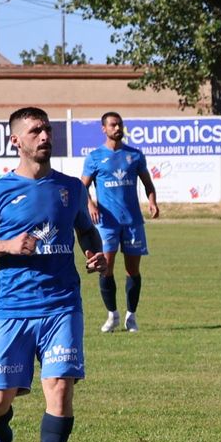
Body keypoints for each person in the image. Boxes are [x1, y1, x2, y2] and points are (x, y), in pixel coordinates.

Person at [0, 107, 105, 442]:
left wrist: (95, 254)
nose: (44, 136)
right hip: (13, 309)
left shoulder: (71, 188)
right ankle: (2, 439)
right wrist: (7, 245)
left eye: (47, 130)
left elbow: (87, 233)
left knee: (58, 388)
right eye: (35, 131)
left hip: (62, 305)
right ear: (16, 141)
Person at [81, 111, 159, 332]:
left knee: (132, 270)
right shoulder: (95, 157)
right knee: (105, 268)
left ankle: (131, 317)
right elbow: (82, 187)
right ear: (103, 129)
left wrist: (152, 202)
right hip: (106, 223)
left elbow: (148, 185)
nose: (118, 128)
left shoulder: (134, 155)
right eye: (113, 125)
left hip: (132, 222)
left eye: (120, 125)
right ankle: (112, 315)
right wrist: (91, 205)